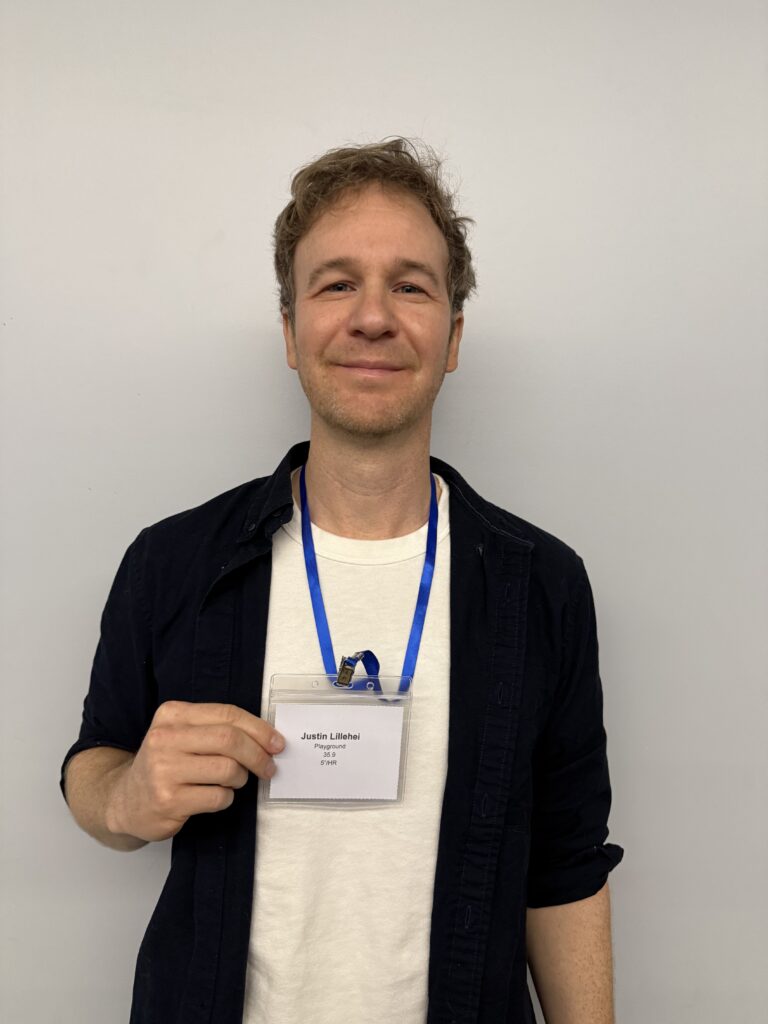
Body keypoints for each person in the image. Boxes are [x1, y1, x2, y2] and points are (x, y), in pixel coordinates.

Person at [61, 137, 624, 1024]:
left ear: (453, 337)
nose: (372, 318)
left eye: (410, 286)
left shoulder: (542, 585)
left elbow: (566, 865)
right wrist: (127, 796)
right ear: (290, 333)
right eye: (335, 285)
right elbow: (92, 767)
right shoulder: (173, 563)